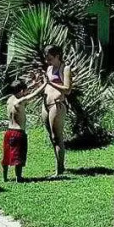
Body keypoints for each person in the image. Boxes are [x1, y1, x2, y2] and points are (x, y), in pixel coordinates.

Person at [3, 77, 46, 182]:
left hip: (8, 132)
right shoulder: (20, 101)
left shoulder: (10, 100)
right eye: (25, 91)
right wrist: (45, 84)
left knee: (7, 155)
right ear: (22, 91)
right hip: (18, 132)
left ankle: (5, 178)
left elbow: (24, 92)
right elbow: (34, 94)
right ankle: (19, 177)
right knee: (18, 155)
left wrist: (33, 84)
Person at [42, 44, 72, 176]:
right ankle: (59, 164)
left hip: (57, 104)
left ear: (57, 56)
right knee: (51, 136)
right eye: (46, 59)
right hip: (46, 104)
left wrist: (51, 83)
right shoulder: (49, 68)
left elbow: (68, 89)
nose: (47, 61)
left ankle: (59, 169)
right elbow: (46, 85)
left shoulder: (65, 68)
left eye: (50, 58)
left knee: (57, 137)